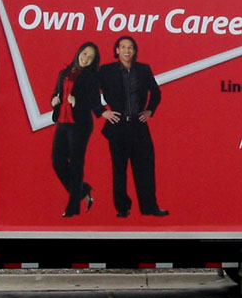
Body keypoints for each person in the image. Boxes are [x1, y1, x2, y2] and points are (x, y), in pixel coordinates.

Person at [99, 35, 169, 217]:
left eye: (130, 47)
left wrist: (150, 111)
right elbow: (89, 91)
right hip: (118, 126)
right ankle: (122, 208)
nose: (127, 51)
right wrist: (101, 111)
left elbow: (156, 93)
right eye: (123, 47)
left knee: (145, 167)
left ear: (134, 51)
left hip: (138, 126)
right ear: (117, 50)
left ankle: (149, 207)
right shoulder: (106, 71)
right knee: (119, 170)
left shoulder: (143, 70)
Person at [51, 42, 104, 217]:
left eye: (90, 57)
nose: (86, 58)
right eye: (85, 54)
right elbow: (56, 93)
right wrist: (54, 100)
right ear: (79, 52)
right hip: (62, 122)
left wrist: (78, 102)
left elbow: (95, 102)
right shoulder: (64, 73)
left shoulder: (92, 78)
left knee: (76, 164)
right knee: (57, 162)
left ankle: (73, 207)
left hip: (80, 125)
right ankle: (83, 191)